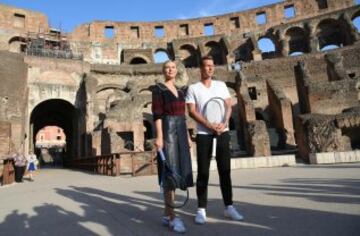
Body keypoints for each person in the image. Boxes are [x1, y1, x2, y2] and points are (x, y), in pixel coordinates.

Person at [186, 55, 244, 224]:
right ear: (201, 68)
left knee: (225, 171)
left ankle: (229, 207)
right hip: (204, 134)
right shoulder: (193, 88)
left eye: (212, 66)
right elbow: (192, 111)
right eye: (206, 66)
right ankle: (201, 209)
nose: (209, 68)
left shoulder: (221, 85)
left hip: (222, 132)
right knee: (203, 172)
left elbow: (228, 105)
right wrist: (209, 125)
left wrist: (224, 122)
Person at [152, 60, 193, 234]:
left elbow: (184, 115)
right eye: (167, 67)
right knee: (170, 173)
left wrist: (188, 137)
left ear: (176, 71)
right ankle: (173, 218)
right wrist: (160, 137)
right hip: (167, 129)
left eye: (173, 67)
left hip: (181, 130)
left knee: (180, 171)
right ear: (164, 71)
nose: (170, 70)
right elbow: (158, 115)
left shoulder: (182, 91)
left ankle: (165, 213)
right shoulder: (159, 89)